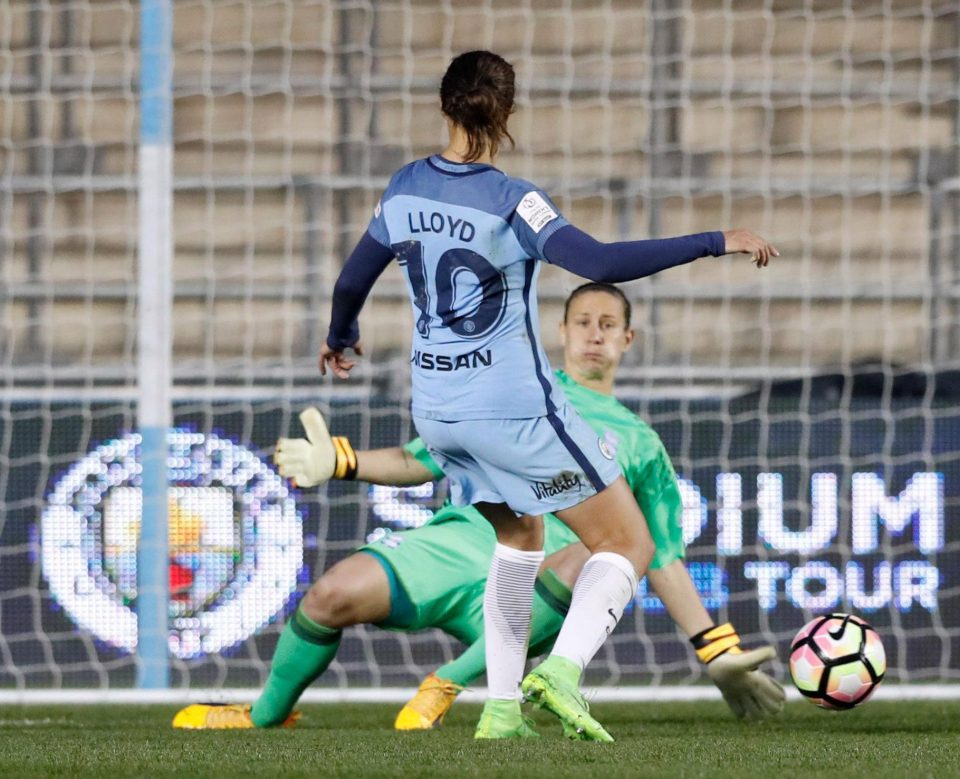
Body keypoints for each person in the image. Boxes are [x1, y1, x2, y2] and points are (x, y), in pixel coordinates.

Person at [318, 50, 778, 741]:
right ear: (505, 113)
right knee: (629, 540)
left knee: (518, 536)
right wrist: (716, 239)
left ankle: (501, 710)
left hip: (439, 411)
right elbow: (599, 263)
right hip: (514, 409)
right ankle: (561, 672)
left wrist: (341, 336)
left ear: (445, 106)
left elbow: (352, 280)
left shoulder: (405, 185)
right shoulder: (514, 198)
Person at [172, 282, 784, 733]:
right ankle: (265, 715)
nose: (594, 334)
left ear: (628, 339)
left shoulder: (641, 445)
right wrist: (341, 460)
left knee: (596, 550)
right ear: (562, 332)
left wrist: (716, 650)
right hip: (459, 543)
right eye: (582, 322)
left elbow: (658, 557)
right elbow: (420, 460)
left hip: (538, 570)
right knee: (329, 596)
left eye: (608, 324)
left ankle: (448, 683)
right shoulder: (520, 393)